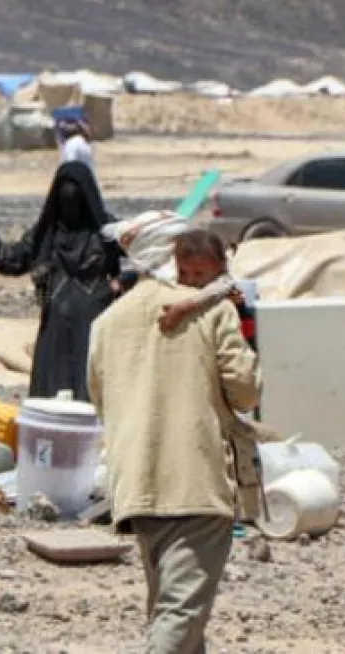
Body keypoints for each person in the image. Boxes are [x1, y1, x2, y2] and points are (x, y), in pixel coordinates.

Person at [88, 226, 261, 654]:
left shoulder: (107, 321)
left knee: (172, 607)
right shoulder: (213, 313)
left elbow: (100, 399)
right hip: (196, 481)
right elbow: (246, 391)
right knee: (180, 612)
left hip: (136, 481)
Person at [0, 161, 121, 401]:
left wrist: (119, 282)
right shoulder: (45, 234)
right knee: (52, 393)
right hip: (55, 324)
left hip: (94, 321)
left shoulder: (108, 231)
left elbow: (140, 260)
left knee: (91, 389)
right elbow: (12, 261)